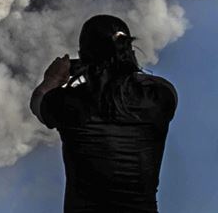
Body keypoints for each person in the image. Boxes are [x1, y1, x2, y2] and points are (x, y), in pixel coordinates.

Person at [30, 15, 177, 213]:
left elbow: (38, 101)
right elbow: (133, 83)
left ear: (84, 55)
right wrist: (118, 66)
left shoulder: (68, 102)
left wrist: (54, 78)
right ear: (128, 50)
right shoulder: (159, 96)